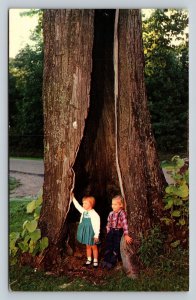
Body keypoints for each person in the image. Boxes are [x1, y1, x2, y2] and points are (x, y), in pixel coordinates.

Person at [102, 195, 133, 269]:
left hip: (118, 232)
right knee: (108, 246)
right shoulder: (111, 214)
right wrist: (108, 231)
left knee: (116, 247)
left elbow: (125, 225)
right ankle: (106, 260)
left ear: (121, 205)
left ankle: (112, 262)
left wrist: (126, 235)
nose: (113, 206)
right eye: (112, 204)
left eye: (115, 204)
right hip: (111, 231)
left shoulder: (122, 213)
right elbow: (108, 223)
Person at [71, 193, 100, 267]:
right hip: (85, 231)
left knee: (93, 246)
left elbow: (97, 225)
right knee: (87, 246)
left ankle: (95, 260)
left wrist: (96, 235)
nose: (83, 205)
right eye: (83, 203)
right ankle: (89, 259)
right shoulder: (83, 211)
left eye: (85, 203)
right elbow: (77, 206)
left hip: (91, 232)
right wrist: (73, 197)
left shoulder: (94, 214)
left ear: (91, 204)